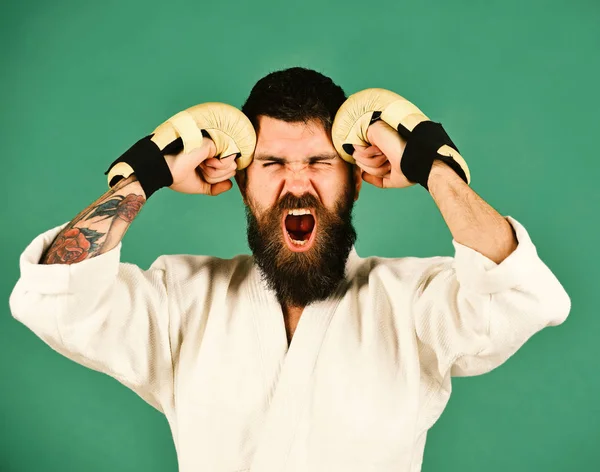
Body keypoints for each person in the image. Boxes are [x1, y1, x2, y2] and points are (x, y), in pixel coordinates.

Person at [9, 67, 571, 472]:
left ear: (354, 178)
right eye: (273, 163)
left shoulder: (412, 302)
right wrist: (149, 170)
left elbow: (517, 293)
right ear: (243, 183)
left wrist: (433, 166)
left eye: (320, 163)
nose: (296, 184)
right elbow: (58, 294)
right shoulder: (182, 299)